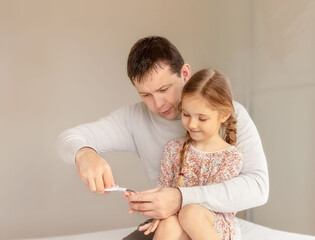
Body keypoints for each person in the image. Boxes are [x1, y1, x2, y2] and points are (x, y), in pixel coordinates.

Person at [57, 36, 269, 239]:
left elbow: (258, 187)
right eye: (145, 95)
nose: (158, 104)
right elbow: (70, 137)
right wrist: (85, 154)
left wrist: (180, 198)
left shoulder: (226, 114)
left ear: (185, 73)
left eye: (164, 89)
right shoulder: (135, 118)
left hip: (204, 223)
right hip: (169, 223)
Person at [124, 68, 243, 240]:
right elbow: (164, 191)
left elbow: (216, 200)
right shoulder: (173, 149)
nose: (192, 124)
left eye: (202, 118)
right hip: (178, 220)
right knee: (168, 222)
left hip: (212, 226)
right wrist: (144, 200)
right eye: (186, 115)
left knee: (190, 213)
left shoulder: (230, 157)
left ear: (224, 115)